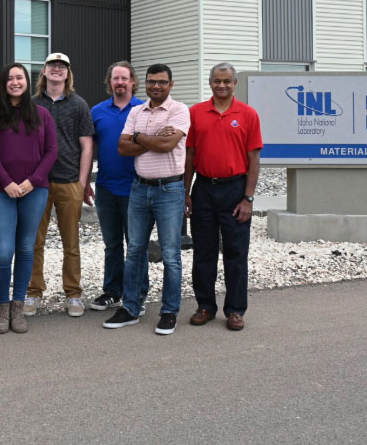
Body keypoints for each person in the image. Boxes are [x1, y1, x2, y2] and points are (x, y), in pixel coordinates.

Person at [103, 64, 190, 335]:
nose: (156, 86)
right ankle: (130, 307)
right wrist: (150, 137)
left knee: (171, 255)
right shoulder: (135, 111)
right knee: (135, 251)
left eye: (162, 82)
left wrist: (138, 137)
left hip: (170, 190)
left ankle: (168, 311)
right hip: (139, 189)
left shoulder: (179, 111)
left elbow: (168, 145)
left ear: (171, 84)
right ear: (146, 83)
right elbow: (122, 147)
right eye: (152, 81)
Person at [0, 64, 58, 333]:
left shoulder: (42, 114)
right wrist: (7, 183)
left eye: (20, 77)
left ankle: (17, 307)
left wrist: (30, 182)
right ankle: (1, 307)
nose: (15, 82)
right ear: (4, 83)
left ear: (27, 82)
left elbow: (51, 151)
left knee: (26, 248)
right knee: (3, 250)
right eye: (10, 78)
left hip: (35, 190)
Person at [184, 62, 262, 331]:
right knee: (203, 253)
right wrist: (186, 193)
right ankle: (205, 306)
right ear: (210, 83)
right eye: (217, 80)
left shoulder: (249, 114)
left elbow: (254, 159)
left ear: (235, 84)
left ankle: (235, 310)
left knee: (236, 253)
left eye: (227, 81)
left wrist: (248, 198)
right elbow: (190, 156)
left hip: (235, 190)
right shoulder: (196, 113)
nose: (222, 85)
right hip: (204, 188)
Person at [25, 52, 95, 317]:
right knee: (34, 242)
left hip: (68, 181)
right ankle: (33, 293)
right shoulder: (31, 104)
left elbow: (87, 144)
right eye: (52, 66)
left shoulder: (78, 104)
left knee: (71, 242)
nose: (56, 70)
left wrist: (82, 181)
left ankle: (73, 294)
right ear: (43, 71)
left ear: (68, 74)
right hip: (37, 183)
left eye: (62, 67)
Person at [88, 61, 143, 311]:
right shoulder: (97, 111)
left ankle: (138, 293)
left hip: (137, 189)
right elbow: (89, 149)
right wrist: (86, 181)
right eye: (115, 78)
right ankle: (112, 291)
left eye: (124, 78)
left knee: (136, 244)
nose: (120, 83)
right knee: (112, 245)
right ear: (109, 82)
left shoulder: (143, 109)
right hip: (106, 188)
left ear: (133, 81)